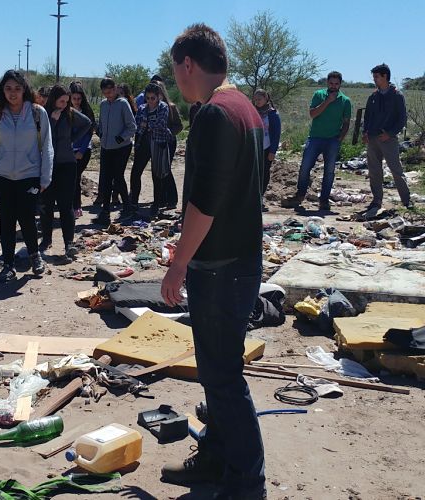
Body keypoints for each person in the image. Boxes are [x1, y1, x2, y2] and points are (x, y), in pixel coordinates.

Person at [160, 24, 266, 500]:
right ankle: (219, 459)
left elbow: (206, 202)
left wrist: (178, 262)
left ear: (188, 64)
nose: (175, 79)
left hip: (221, 265)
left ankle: (246, 481)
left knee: (223, 377)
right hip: (238, 259)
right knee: (216, 371)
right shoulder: (245, 107)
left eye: (175, 69)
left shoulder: (214, 115)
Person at [0, 70, 54, 283]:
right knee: (6, 221)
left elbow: (47, 147)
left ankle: (35, 256)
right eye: (8, 88)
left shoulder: (37, 113)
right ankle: (8, 264)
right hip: (2, 176)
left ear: (25, 90)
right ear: (2, 90)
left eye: (17, 88)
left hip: (29, 175)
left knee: (27, 219)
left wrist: (45, 177)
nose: (12, 93)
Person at [282, 71, 352, 212]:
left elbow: (346, 122)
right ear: (327, 82)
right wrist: (327, 101)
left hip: (332, 140)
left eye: (336, 84)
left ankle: (324, 200)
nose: (333, 86)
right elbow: (313, 114)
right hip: (315, 138)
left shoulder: (345, 101)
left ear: (340, 84)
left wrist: (340, 138)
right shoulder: (318, 95)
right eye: (331, 83)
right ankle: (300, 195)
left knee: (329, 171)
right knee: (305, 167)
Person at [40, 84, 91, 258]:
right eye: (61, 101)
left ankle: (69, 243)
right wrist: (53, 121)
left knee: (65, 205)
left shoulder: (69, 113)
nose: (64, 104)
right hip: (48, 165)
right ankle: (46, 240)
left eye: (66, 101)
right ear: (54, 99)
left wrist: (72, 140)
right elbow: (45, 138)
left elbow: (87, 124)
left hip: (67, 164)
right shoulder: (44, 114)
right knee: (47, 205)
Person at [362, 63, 411, 212]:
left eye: (376, 76)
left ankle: (406, 201)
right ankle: (377, 201)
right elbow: (368, 116)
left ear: (385, 76)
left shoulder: (397, 95)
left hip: (388, 139)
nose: (374, 79)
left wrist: (390, 133)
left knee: (396, 170)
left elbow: (402, 118)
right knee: (375, 171)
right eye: (374, 76)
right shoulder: (373, 96)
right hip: (372, 138)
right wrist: (365, 132)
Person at [93, 77, 137, 225]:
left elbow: (132, 126)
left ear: (115, 88)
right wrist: (100, 132)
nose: (108, 95)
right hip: (106, 147)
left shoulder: (123, 104)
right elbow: (101, 124)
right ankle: (105, 212)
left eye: (110, 91)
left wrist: (121, 137)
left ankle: (127, 208)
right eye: (105, 92)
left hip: (122, 147)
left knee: (118, 177)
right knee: (105, 179)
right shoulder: (103, 104)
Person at [129, 82, 170, 217]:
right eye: (148, 98)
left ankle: (156, 204)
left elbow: (161, 123)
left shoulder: (163, 107)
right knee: (136, 172)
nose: (150, 101)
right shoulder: (142, 108)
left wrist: (147, 125)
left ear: (158, 97)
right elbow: (138, 126)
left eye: (153, 98)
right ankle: (133, 201)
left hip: (158, 142)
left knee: (156, 174)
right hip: (144, 143)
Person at [69, 81, 96, 218]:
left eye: (79, 99)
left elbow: (89, 133)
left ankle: (76, 207)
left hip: (83, 151)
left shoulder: (86, 112)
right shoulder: (66, 111)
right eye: (74, 98)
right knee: (71, 178)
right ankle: (71, 206)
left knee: (75, 177)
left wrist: (82, 151)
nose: (77, 101)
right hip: (69, 151)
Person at [252, 89, 281, 211]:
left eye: (260, 99)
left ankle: (260, 197)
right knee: (253, 173)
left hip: (266, 147)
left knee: (264, 173)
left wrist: (272, 151)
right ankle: (252, 197)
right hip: (253, 147)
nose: (257, 101)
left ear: (266, 99)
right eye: (256, 99)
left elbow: (276, 133)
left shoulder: (272, 114)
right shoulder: (251, 111)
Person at [156, 81, 182, 210]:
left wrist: (169, 133)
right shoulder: (150, 107)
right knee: (157, 170)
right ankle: (161, 198)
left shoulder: (171, 106)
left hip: (169, 141)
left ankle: (172, 198)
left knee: (166, 169)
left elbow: (179, 125)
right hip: (156, 142)